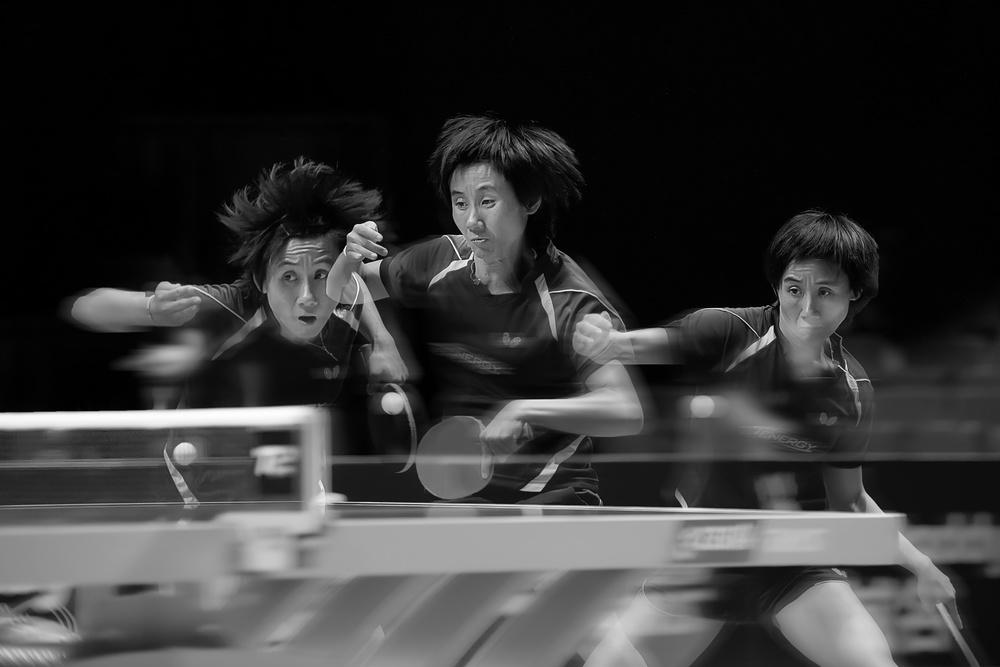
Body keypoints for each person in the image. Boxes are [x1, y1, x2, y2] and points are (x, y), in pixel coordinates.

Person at [573, 210, 958, 667]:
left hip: (794, 567)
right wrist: (606, 341)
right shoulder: (730, 333)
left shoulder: (851, 390)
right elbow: (634, 346)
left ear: (854, 293)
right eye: (794, 289)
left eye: (825, 291)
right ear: (777, 286)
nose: (807, 308)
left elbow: (850, 502)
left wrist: (921, 565)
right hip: (706, 561)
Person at [331, 113, 645, 505]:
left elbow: (626, 410)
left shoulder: (567, 298)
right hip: (463, 495)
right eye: (460, 203)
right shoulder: (440, 261)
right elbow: (344, 287)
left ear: (530, 200)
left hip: (555, 498)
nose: (472, 221)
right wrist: (351, 266)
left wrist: (526, 411)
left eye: (487, 201)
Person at [70, 157, 408, 411]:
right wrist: (149, 309)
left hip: (289, 465)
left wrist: (383, 341)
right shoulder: (231, 307)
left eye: (321, 274)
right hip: (205, 475)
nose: (307, 297)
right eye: (288, 277)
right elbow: (84, 308)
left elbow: (354, 283)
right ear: (262, 280)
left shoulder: (342, 289)